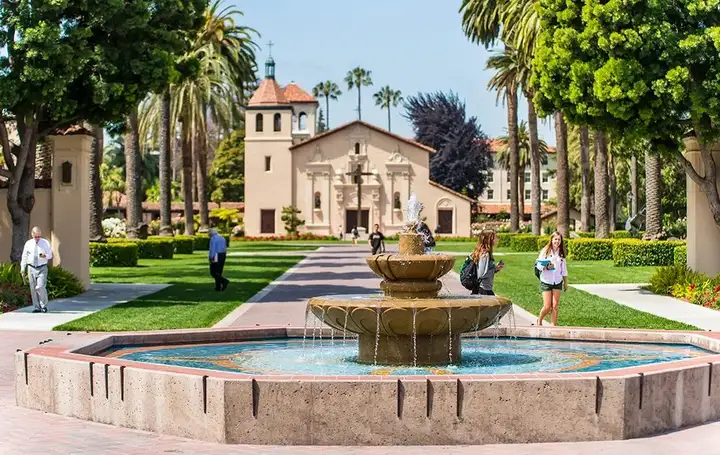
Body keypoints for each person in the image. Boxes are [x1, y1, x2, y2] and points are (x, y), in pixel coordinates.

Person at [536, 231, 568, 326]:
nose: (557, 241)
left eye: (559, 239)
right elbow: (538, 265)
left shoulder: (561, 253)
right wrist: (545, 267)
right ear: (551, 240)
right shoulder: (545, 250)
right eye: (555, 239)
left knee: (555, 306)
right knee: (547, 306)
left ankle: (553, 326)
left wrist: (565, 283)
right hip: (546, 281)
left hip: (557, 281)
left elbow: (564, 270)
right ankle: (539, 320)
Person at [20, 227, 53, 313]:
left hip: (42, 267)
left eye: (39, 236)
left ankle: (44, 306)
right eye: (36, 237)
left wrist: (45, 255)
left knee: (40, 286)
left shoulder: (45, 243)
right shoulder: (28, 243)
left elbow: (50, 255)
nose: (38, 238)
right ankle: (37, 307)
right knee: (33, 288)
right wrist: (22, 268)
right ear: (32, 234)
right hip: (31, 267)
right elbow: (24, 256)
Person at [471, 229, 504, 295]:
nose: (497, 239)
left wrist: (496, 268)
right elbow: (481, 275)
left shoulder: (483, 252)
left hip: (484, 288)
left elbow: (485, 270)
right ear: (489, 239)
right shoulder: (485, 254)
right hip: (483, 290)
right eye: (495, 237)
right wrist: (495, 269)